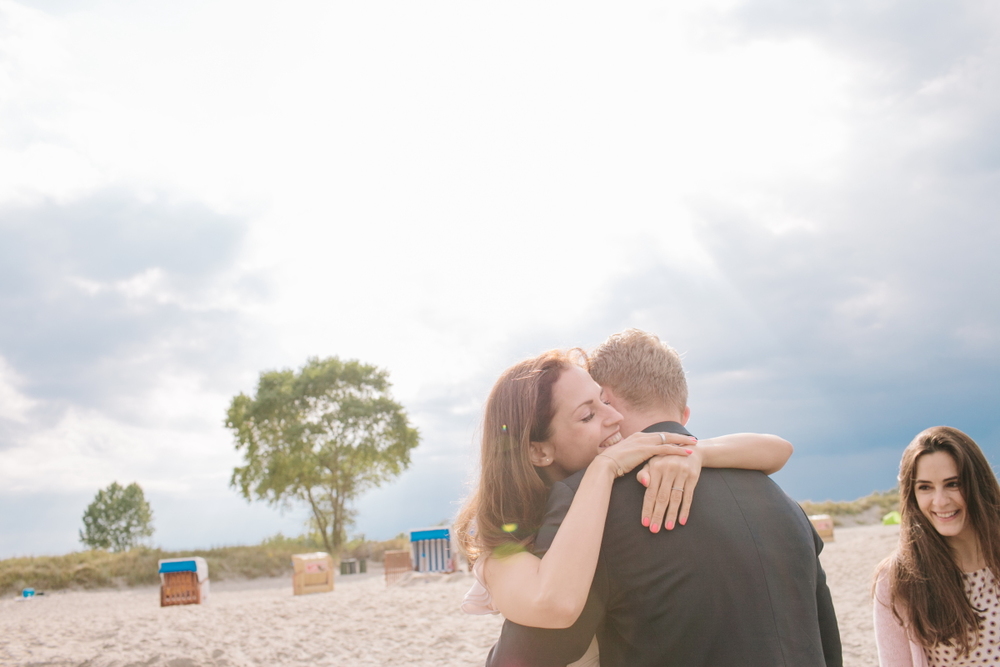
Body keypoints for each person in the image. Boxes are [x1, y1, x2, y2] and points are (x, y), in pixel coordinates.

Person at [479, 329, 842, 667]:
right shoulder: (780, 500)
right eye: (590, 411)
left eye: (604, 402)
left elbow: (526, 657)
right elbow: (827, 645)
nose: (613, 417)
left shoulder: (587, 505)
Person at [873, 426, 1000, 666]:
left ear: (978, 484)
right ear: (912, 495)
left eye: (953, 484)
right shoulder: (898, 579)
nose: (940, 501)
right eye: (925, 487)